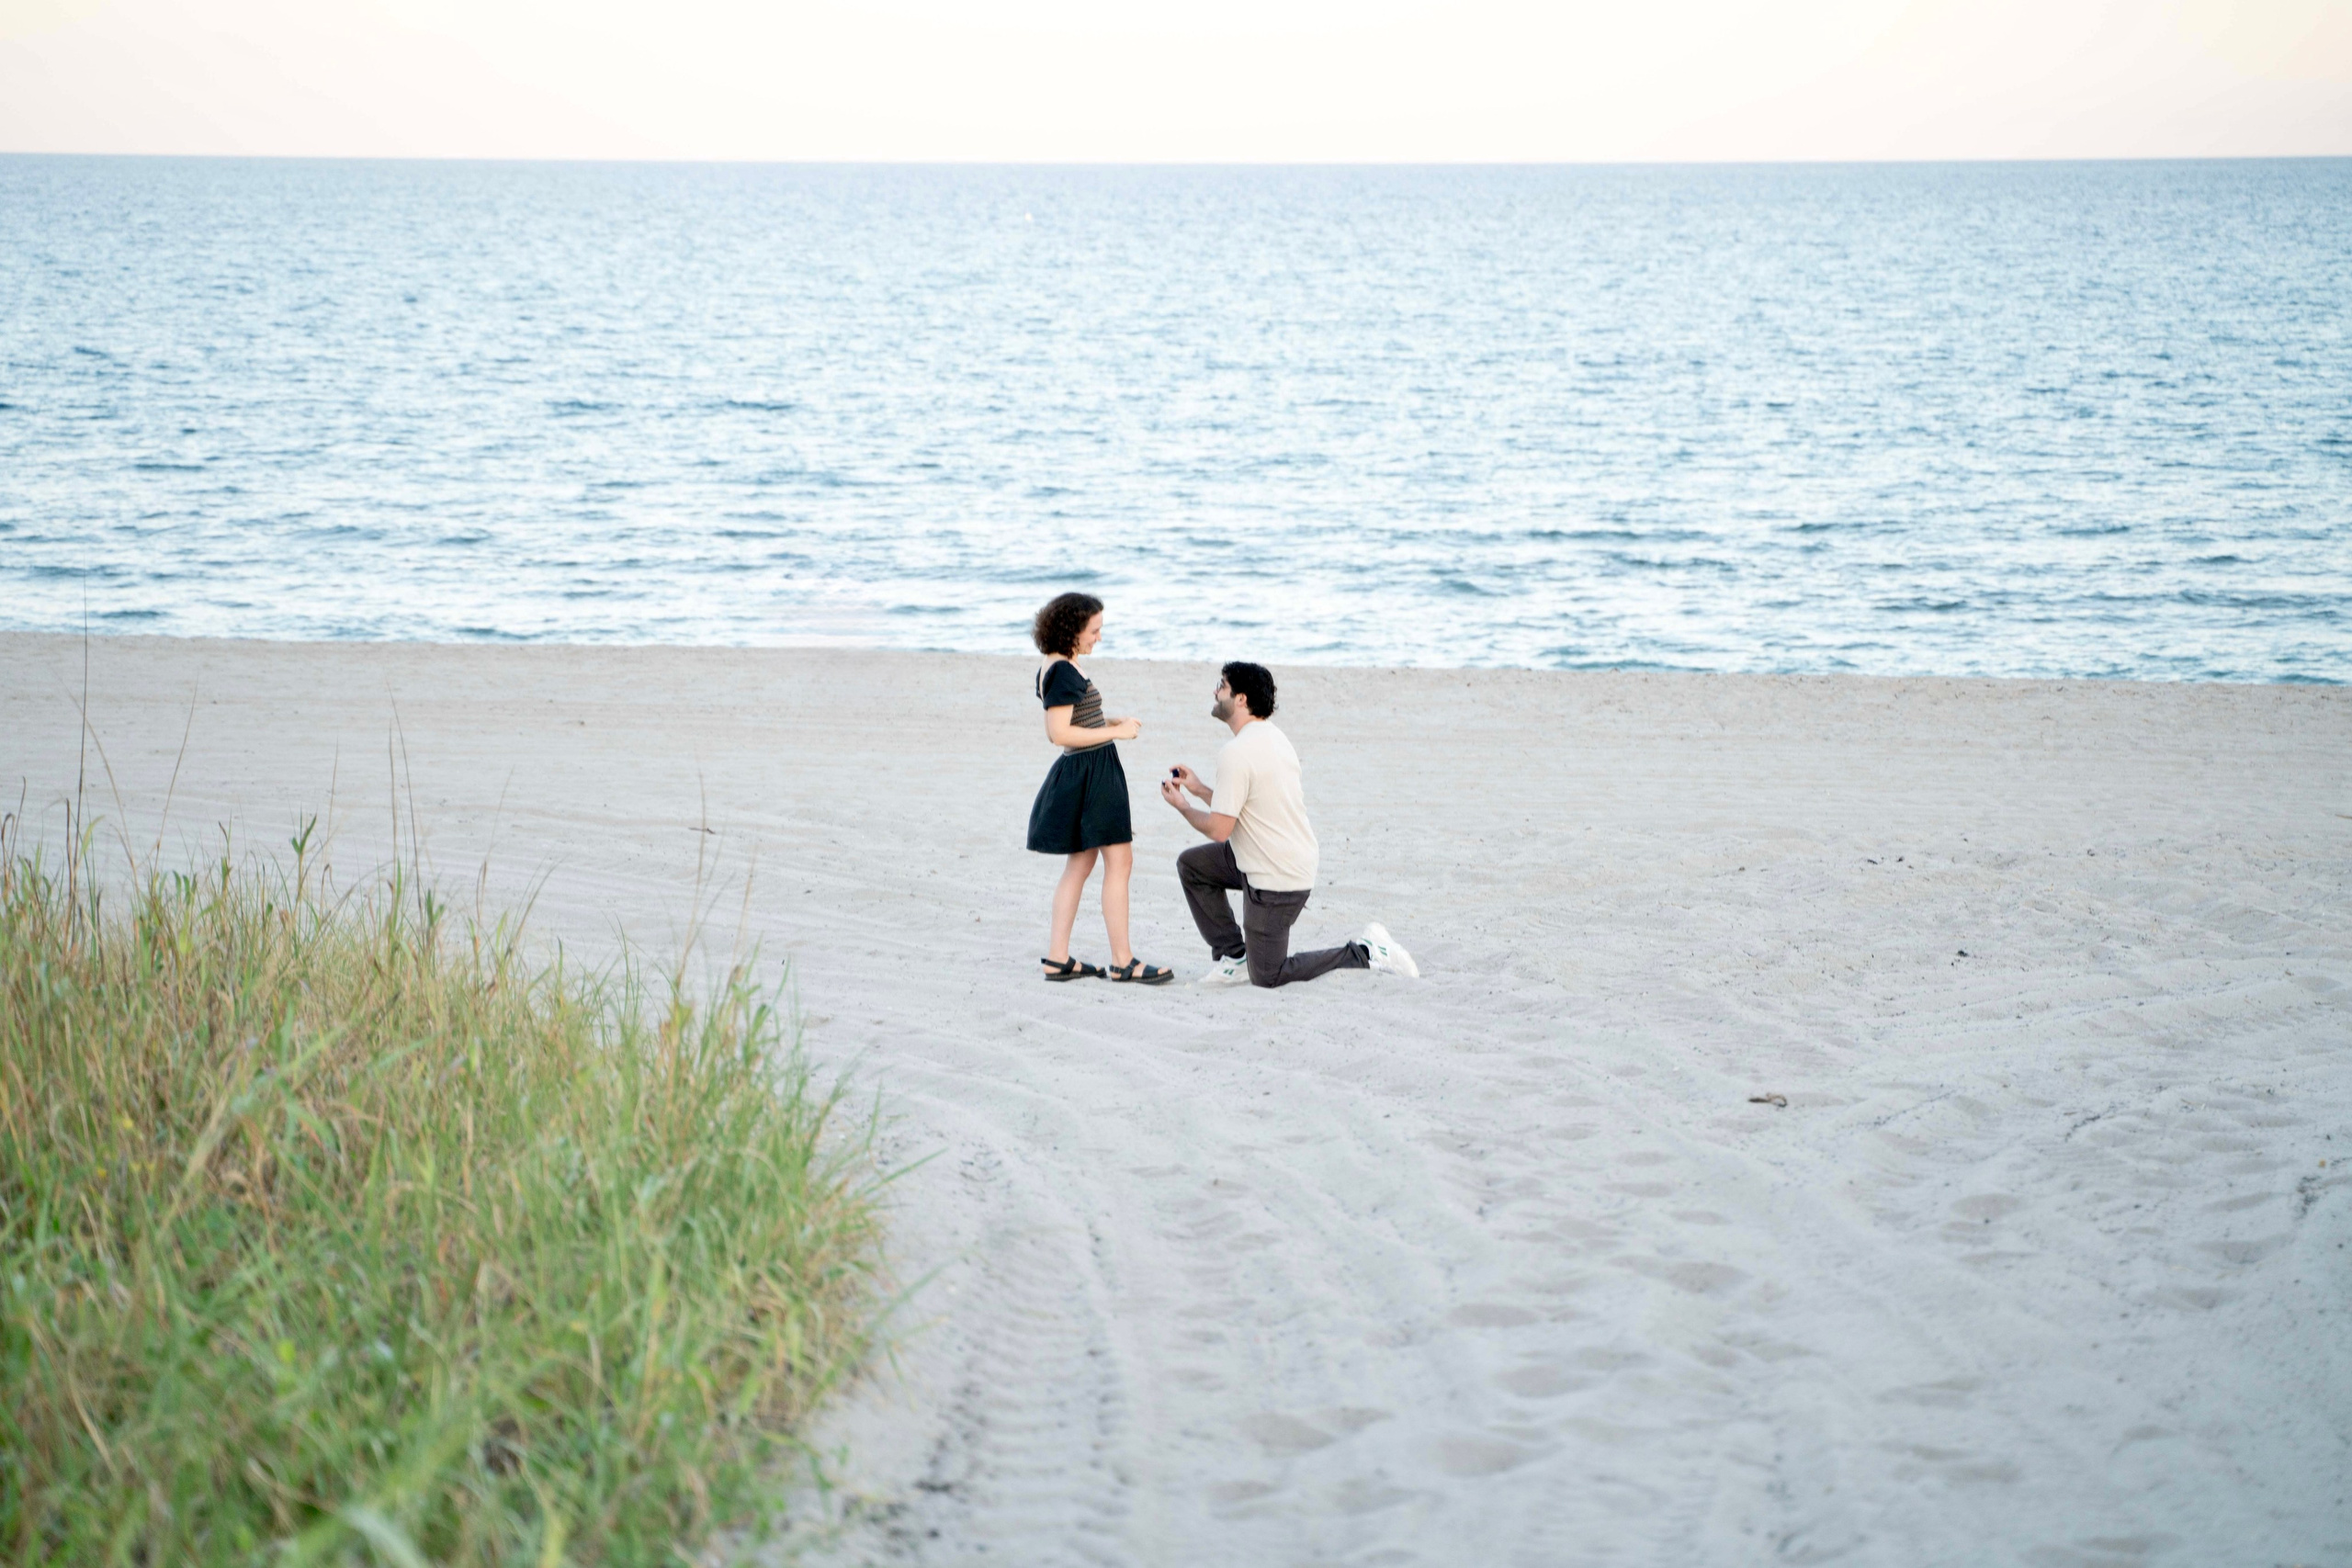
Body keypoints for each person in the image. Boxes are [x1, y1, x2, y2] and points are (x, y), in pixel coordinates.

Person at [1160, 660, 1418, 987]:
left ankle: (1366, 952)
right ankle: (1235, 958)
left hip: (1278, 877)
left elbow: (1219, 830)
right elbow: (1244, 809)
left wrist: (1183, 806)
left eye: (1221, 686)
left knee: (1268, 975)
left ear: (1241, 699)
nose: (1215, 691)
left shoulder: (1236, 752)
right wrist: (1198, 790)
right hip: (1269, 857)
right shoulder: (1273, 737)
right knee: (1193, 866)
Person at [1026, 592, 1173, 985]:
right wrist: (1116, 733)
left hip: (1083, 771)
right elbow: (1059, 733)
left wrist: (1109, 721)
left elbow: (1070, 721)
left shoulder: (1055, 665)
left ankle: (1058, 958)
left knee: (1080, 865)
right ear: (1071, 630)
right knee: (1119, 862)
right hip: (1092, 772)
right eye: (1094, 631)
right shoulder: (1062, 670)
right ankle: (1123, 961)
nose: (1099, 638)